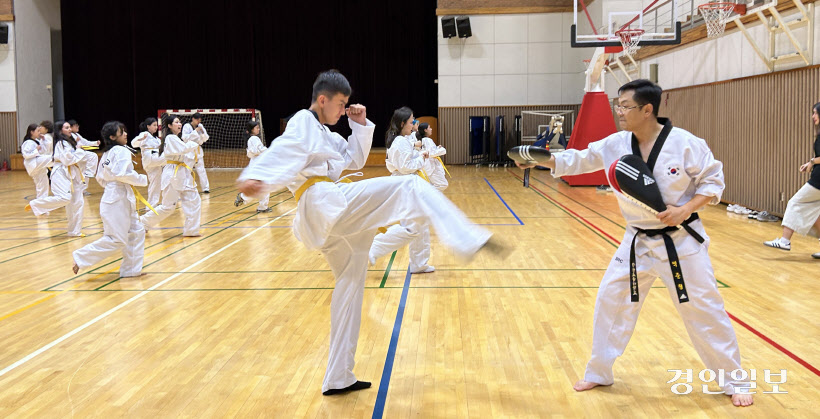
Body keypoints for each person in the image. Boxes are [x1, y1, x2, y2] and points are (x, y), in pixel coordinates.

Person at [237, 70, 503, 396]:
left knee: (350, 284)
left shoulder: (325, 134)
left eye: (346, 104)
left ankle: (339, 376)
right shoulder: (303, 122)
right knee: (410, 186)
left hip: (326, 217)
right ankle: (467, 237)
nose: (343, 110)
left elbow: (353, 158)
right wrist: (256, 177)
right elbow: (284, 149)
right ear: (323, 99)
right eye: (341, 104)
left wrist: (359, 125)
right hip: (326, 202)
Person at [517, 79, 753, 407]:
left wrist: (684, 209)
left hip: (681, 241)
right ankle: (599, 371)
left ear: (647, 110)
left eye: (625, 106)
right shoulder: (616, 143)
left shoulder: (685, 144)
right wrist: (539, 159)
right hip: (637, 241)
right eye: (618, 105)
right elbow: (578, 160)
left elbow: (713, 183)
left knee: (703, 308)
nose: (619, 111)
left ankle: (734, 380)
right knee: (610, 302)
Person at [72, 121, 147, 276]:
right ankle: (81, 257)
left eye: (125, 131)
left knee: (137, 231)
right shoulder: (120, 151)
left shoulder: (108, 153)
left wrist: (112, 185)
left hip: (116, 195)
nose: (125, 134)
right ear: (112, 137)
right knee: (116, 239)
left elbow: (100, 177)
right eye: (121, 132)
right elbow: (122, 173)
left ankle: (131, 270)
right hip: (117, 199)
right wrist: (141, 179)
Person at [367, 107, 436, 274]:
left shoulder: (403, 140)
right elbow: (405, 166)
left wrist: (419, 154)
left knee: (421, 224)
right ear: (403, 123)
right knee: (411, 228)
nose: (414, 124)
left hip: (409, 184)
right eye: (411, 121)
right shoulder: (399, 142)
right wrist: (421, 158)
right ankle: (375, 247)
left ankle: (419, 263)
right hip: (405, 186)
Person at [763, 102, 820, 259]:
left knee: (794, 203)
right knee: (816, 215)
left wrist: (812, 162)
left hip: (818, 182)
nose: (813, 116)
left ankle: (785, 241)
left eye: (815, 113)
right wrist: (810, 163)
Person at [140, 115, 202, 237]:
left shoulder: (176, 138)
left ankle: (191, 230)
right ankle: (142, 223)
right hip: (172, 174)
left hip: (183, 172)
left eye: (180, 122)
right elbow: (184, 149)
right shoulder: (170, 138)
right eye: (176, 122)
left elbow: (184, 150)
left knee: (194, 200)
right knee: (168, 207)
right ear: (169, 125)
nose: (180, 124)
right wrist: (194, 143)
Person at [26, 121, 86, 237]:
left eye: (70, 127)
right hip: (61, 173)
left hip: (73, 173)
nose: (70, 129)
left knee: (78, 202)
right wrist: (79, 150)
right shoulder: (60, 143)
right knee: (65, 198)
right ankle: (36, 204)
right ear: (60, 130)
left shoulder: (69, 142)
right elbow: (68, 160)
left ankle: (75, 231)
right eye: (67, 128)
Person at [234, 120, 272, 212]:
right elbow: (256, 151)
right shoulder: (254, 139)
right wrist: (266, 151)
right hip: (258, 165)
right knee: (264, 185)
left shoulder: (253, 139)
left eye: (258, 128)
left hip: (257, 165)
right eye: (256, 128)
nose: (258, 129)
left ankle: (248, 199)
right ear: (251, 129)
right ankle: (258, 204)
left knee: (261, 186)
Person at [131, 117, 165, 208]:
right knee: (170, 156)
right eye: (154, 125)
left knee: (155, 183)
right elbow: (133, 143)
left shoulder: (156, 138)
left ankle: (151, 205)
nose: (156, 127)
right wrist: (141, 139)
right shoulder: (144, 134)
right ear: (148, 126)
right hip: (150, 159)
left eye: (156, 125)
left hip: (154, 162)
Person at [21, 123, 51, 201]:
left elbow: (44, 151)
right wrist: (36, 150)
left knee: (43, 185)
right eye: (38, 131)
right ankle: (61, 160)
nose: (39, 133)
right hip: (33, 163)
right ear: (32, 132)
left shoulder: (37, 141)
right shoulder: (27, 142)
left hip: (39, 166)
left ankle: (41, 203)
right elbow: (26, 155)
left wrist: (44, 140)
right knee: (52, 158)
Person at [181, 112, 210, 193]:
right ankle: (185, 186)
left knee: (201, 170)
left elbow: (206, 138)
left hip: (198, 150)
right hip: (189, 151)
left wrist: (202, 133)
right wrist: (195, 132)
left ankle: (206, 188)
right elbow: (184, 138)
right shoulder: (187, 126)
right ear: (193, 119)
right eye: (197, 120)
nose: (198, 121)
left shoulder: (200, 126)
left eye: (199, 120)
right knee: (187, 170)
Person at [418, 122, 449, 191]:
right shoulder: (427, 140)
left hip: (428, 165)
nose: (431, 129)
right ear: (425, 130)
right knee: (443, 184)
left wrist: (437, 148)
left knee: (432, 184)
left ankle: (428, 195)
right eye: (429, 127)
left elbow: (430, 150)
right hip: (431, 166)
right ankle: (427, 193)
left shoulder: (423, 140)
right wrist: (442, 150)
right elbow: (431, 153)